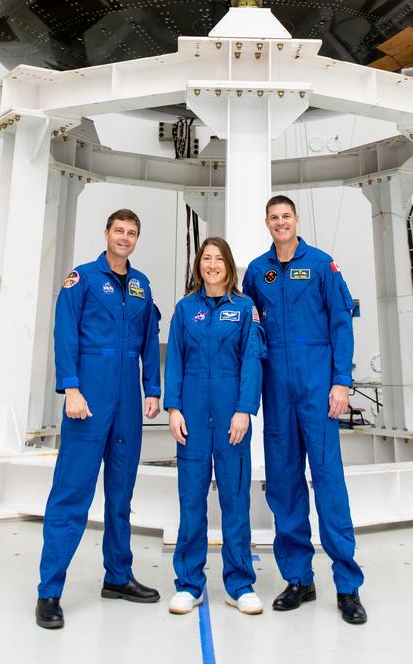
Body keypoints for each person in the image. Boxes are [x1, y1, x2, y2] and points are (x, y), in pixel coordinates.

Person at [242, 195, 367, 626]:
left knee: (329, 482)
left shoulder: (321, 265)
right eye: (274, 218)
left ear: (296, 221)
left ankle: (347, 586)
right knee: (284, 485)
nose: (280, 223)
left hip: (318, 389)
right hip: (277, 394)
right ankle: (299, 579)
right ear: (267, 223)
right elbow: (252, 334)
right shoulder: (257, 272)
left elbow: (340, 323)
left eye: (286, 217)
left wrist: (341, 382)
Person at [35, 208, 162, 629]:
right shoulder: (82, 279)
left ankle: (119, 576)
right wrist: (70, 387)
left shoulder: (142, 286)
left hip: (128, 399)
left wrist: (154, 389)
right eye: (119, 231)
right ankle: (49, 591)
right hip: (88, 396)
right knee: (71, 493)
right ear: (106, 233)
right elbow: (64, 333)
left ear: (137, 239)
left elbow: (149, 341)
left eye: (132, 233)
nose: (125, 238)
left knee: (122, 495)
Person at [164, 237, 266, 616]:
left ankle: (239, 584)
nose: (212, 265)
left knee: (235, 501)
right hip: (191, 418)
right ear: (198, 266)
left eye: (218, 259)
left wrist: (244, 410)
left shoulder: (244, 309)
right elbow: (174, 360)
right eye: (206, 259)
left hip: (230, 421)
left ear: (228, 265)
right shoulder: (185, 309)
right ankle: (189, 584)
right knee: (191, 502)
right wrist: (173, 408)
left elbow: (252, 361)